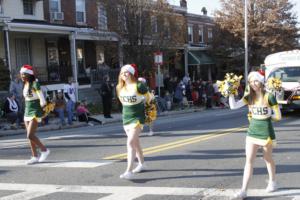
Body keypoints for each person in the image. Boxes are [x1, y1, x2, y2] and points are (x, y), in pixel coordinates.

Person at [228, 71, 282, 199]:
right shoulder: (249, 97)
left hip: (266, 132)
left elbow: (278, 116)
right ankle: (243, 191)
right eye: (251, 81)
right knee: (249, 161)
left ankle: (273, 182)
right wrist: (230, 93)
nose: (253, 84)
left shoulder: (269, 97)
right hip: (252, 131)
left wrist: (268, 115)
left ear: (261, 82)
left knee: (267, 159)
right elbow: (233, 106)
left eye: (256, 81)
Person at [116, 64, 152, 179]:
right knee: (136, 144)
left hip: (137, 118)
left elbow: (149, 99)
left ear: (131, 73)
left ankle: (129, 171)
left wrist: (149, 111)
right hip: (126, 118)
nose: (123, 74)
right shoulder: (119, 87)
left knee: (130, 143)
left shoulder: (139, 85)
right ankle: (142, 164)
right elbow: (123, 104)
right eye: (122, 73)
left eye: (126, 72)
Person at [20, 65, 50, 165]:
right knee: (29, 137)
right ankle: (34, 156)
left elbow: (41, 98)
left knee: (30, 135)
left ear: (29, 74)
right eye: (21, 74)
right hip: (27, 111)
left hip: (36, 111)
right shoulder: (25, 84)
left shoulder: (35, 83)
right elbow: (26, 99)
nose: (22, 76)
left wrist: (43, 108)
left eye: (24, 74)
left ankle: (44, 150)